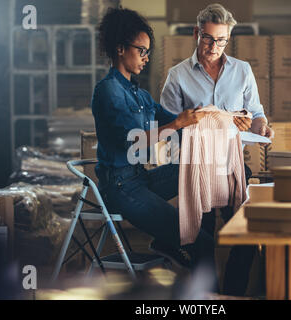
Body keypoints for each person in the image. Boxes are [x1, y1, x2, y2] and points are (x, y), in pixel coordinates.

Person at [160, 3, 275, 296]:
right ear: (197, 33)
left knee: (248, 229)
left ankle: (233, 292)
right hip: (197, 167)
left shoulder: (242, 71)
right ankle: (208, 298)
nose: (214, 47)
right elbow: (166, 127)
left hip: (232, 163)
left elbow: (257, 113)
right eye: (209, 39)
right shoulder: (178, 75)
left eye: (222, 40)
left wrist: (261, 126)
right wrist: (188, 123)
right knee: (202, 239)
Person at [92, 7, 215, 273]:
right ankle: (193, 256)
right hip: (121, 188)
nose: (146, 58)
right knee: (204, 245)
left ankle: (170, 242)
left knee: (206, 171)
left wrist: (207, 124)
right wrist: (177, 124)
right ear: (121, 48)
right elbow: (133, 142)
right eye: (142, 50)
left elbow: (175, 122)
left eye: (149, 52)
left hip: (140, 179)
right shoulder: (109, 91)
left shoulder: (139, 94)